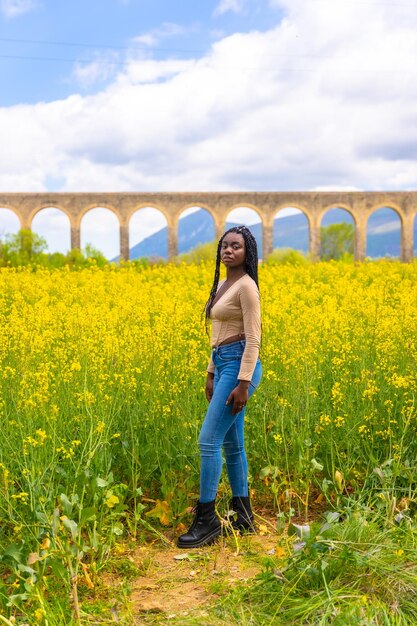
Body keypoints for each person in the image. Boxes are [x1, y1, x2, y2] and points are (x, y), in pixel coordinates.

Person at [177, 225, 262, 548]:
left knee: (208, 440)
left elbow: (253, 338)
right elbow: (219, 334)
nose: (228, 251)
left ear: (247, 252)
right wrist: (210, 371)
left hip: (240, 368)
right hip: (224, 364)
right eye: (225, 246)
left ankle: (207, 520)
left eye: (236, 246)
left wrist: (242, 383)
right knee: (232, 446)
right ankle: (244, 515)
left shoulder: (246, 287)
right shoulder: (225, 284)